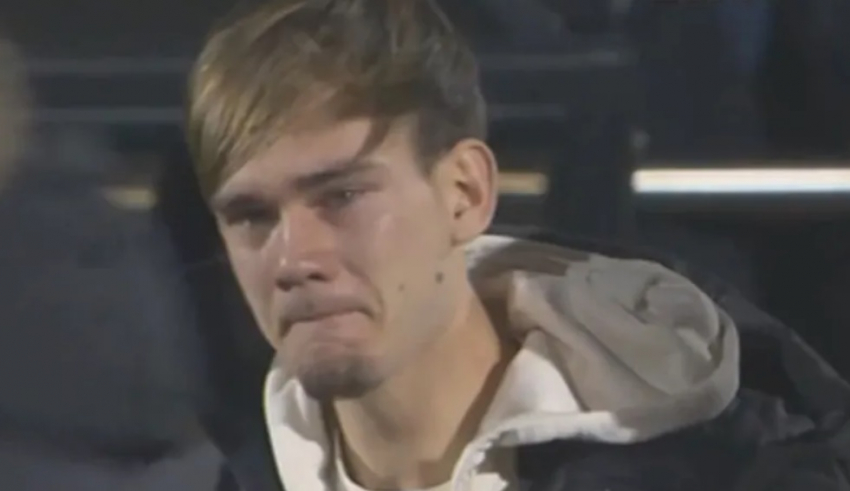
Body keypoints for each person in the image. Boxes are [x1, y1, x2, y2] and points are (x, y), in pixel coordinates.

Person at [186, 1, 850, 490]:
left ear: (466, 193)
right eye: (251, 215)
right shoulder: (208, 474)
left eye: (342, 196)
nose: (294, 257)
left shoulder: (736, 466)